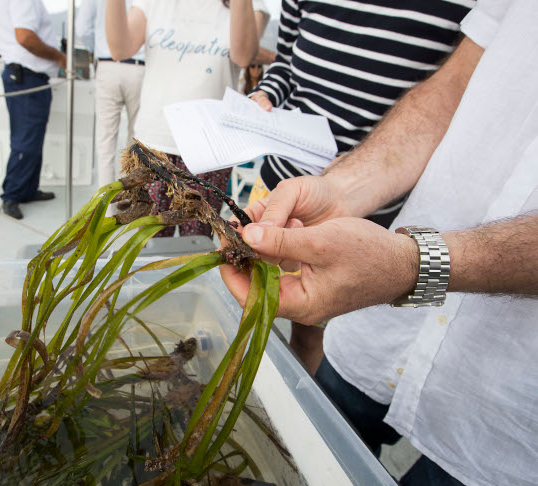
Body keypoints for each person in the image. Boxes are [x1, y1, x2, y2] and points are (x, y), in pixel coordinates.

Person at [221, 0, 538, 484]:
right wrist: (341, 189)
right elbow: (449, 91)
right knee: (303, 459)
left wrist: (413, 265)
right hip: (377, 340)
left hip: (502, 419)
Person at [246, 0, 475, 373]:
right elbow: (285, 62)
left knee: (321, 331)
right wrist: (267, 93)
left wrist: (407, 265)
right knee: (265, 310)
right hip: (284, 180)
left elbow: (452, 90)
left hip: (379, 212)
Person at [105, 0, 270, 237]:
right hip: (153, 145)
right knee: (149, 242)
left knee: (196, 244)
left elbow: (243, 56)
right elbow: (119, 49)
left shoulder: (248, 6)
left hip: (209, 150)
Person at [0, 0, 65, 220]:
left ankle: (27, 190)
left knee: (32, 139)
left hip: (29, 77)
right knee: (25, 141)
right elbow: (25, 38)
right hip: (27, 78)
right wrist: (60, 57)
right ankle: (12, 196)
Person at [76, 0, 145, 205]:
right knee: (136, 141)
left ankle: (105, 205)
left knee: (105, 140)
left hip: (107, 65)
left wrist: (99, 46)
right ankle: (131, 198)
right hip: (140, 67)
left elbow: (82, 28)